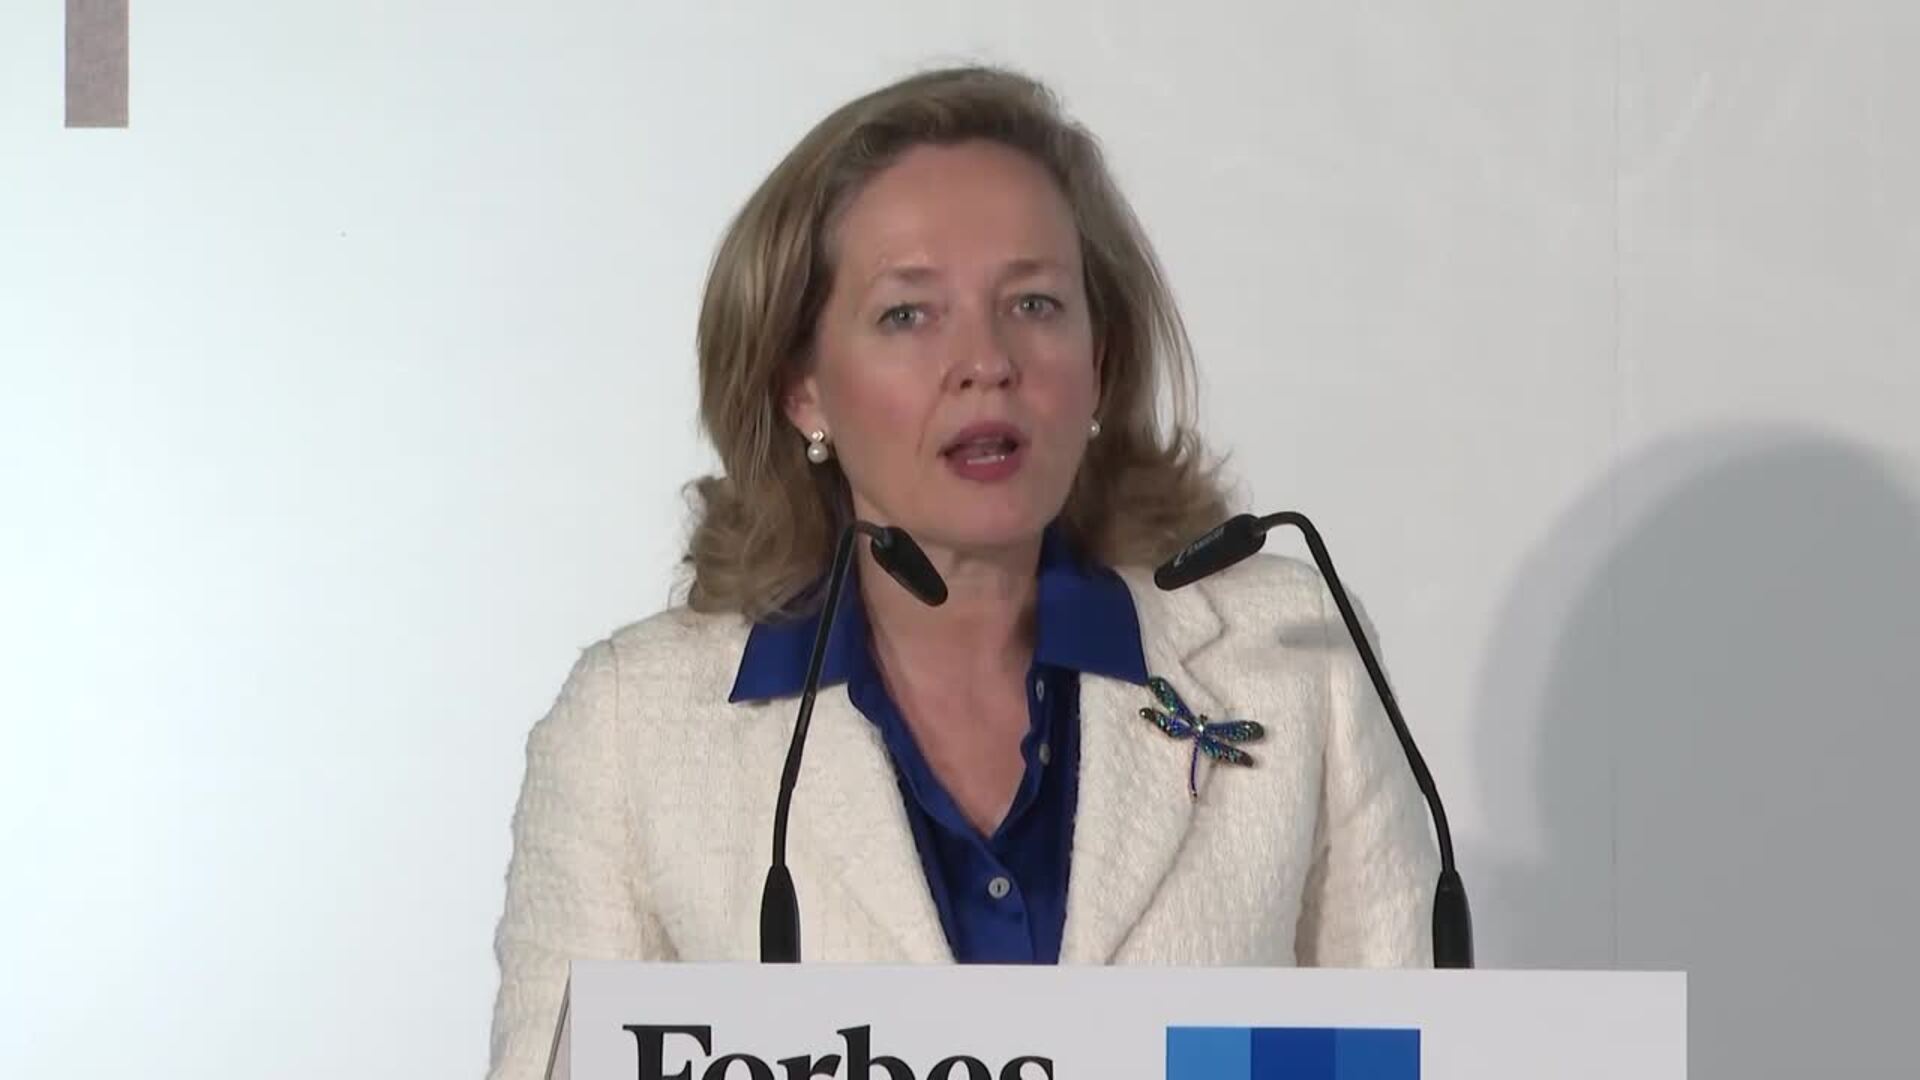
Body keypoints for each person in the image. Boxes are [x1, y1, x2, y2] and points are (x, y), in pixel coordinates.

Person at [485, 64, 1438, 1080]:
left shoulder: (1294, 659)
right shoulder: (630, 727)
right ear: (803, 388)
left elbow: (1413, 1053)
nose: (987, 360)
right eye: (909, 314)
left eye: (1034, 302)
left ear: (1100, 362)